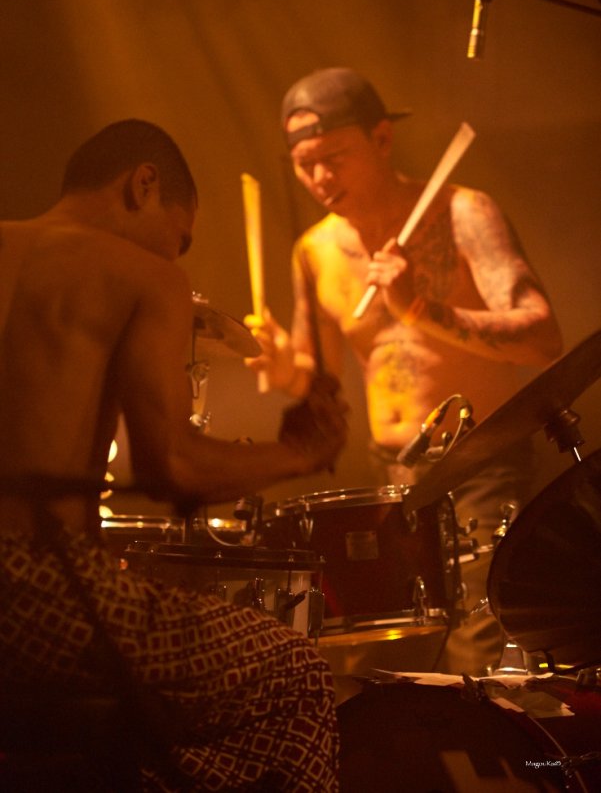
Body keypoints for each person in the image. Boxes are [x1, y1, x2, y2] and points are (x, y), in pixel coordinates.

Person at [0, 119, 348, 792]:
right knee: (295, 669)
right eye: (180, 235)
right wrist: (300, 452)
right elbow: (173, 467)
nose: (176, 251)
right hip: (39, 595)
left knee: (145, 740)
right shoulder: (144, 275)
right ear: (143, 185)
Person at [244, 67, 563, 678]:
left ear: (382, 139)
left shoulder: (463, 212)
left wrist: (419, 308)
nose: (319, 178)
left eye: (334, 158)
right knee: (396, 654)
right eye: (305, 165)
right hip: (392, 472)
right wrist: (284, 367)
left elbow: (543, 336)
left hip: (480, 459)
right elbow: (317, 377)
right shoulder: (314, 251)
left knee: (479, 649)